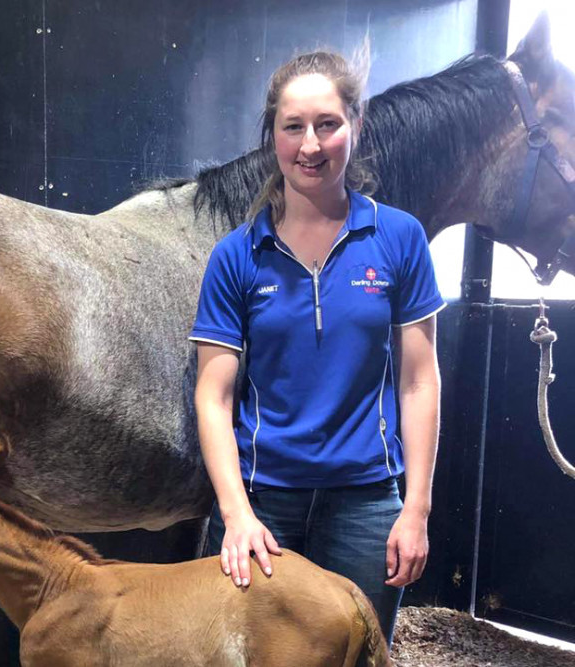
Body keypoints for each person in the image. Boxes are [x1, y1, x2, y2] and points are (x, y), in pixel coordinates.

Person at [189, 50, 443, 646]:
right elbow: (212, 397)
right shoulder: (236, 257)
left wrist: (417, 510)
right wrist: (235, 515)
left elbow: (419, 382)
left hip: (367, 508)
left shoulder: (399, 238)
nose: (311, 144)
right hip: (264, 509)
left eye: (328, 124)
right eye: (293, 126)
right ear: (271, 136)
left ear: (354, 126)